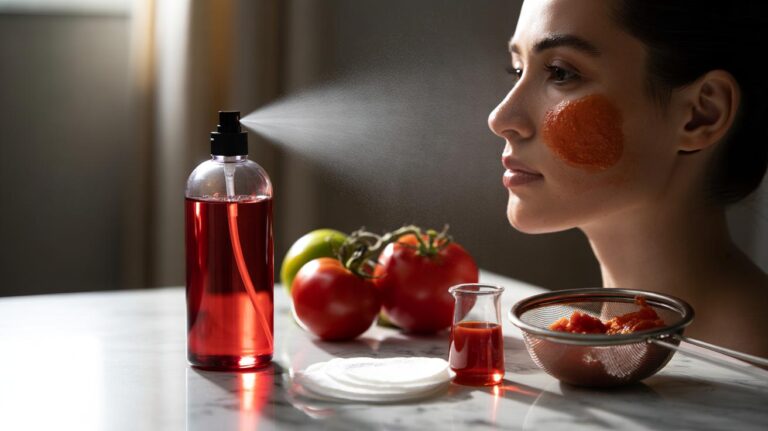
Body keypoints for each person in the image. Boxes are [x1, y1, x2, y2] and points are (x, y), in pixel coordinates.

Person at [488, 0, 768, 357]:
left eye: (560, 73)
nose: (500, 118)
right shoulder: (614, 343)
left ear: (701, 114)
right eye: (517, 69)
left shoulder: (755, 375)